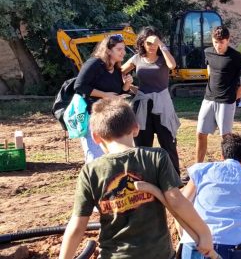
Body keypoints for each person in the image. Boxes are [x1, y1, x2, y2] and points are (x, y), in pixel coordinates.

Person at [58, 98, 214, 259]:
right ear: (136, 128)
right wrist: (204, 233)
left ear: (95, 137)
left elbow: (77, 226)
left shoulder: (90, 172)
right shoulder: (156, 157)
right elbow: (176, 201)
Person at [180, 133, 241, 259]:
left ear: (222, 155)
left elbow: (181, 203)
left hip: (195, 242)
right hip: (231, 246)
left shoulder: (202, 171)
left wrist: (183, 235)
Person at [122, 27, 181, 175]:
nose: (152, 46)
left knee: (168, 143)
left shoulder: (163, 57)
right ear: (142, 43)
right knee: (142, 144)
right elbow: (119, 72)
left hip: (162, 104)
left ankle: (174, 177)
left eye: (155, 42)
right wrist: (129, 86)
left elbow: (172, 65)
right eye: (149, 42)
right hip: (142, 106)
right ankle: (143, 177)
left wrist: (161, 45)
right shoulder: (137, 58)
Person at [196, 26, 241, 163]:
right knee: (200, 133)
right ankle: (197, 168)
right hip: (209, 98)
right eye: (215, 42)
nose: (218, 46)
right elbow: (209, 68)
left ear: (228, 41)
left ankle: (226, 167)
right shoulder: (208, 52)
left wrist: (240, 89)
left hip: (226, 101)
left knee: (226, 139)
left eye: (221, 42)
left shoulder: (234, 56)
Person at [74, 34, 133, 162]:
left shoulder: (117, 69)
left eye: (124, 49)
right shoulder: (94, 63)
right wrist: (105, 95)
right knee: (95, 157)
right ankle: (94, 181)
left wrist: (126, 86)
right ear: (108, 50)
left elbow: (117, 93)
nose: (123, 52)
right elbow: (79, 86)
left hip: (110, 118)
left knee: (110, 156)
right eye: (119, 49)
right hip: (93, 116)